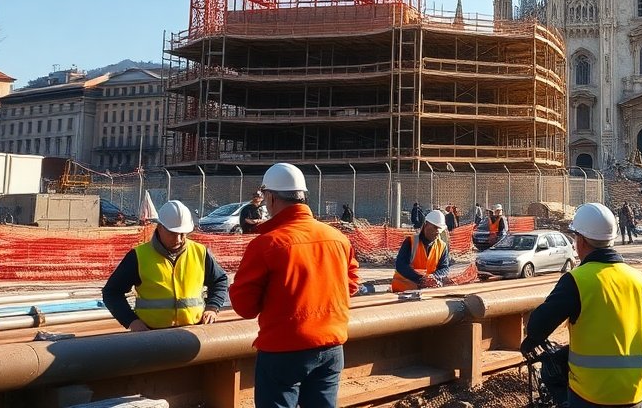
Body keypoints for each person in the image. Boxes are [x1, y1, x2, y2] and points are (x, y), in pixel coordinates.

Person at [231, 163, 360, 408]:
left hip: (282, 350)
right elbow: (350, 285)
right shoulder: (338, 239)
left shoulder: (266, 244)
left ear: (270, 197)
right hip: (331, 346)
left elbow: (244, 306)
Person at [521, 203, 642, 407]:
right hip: (634, 393)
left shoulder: (578, 280)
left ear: (581, 241)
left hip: (591, 395)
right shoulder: (641, 280)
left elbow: (537, 327)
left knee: (552, 371)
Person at [102, 200, 228, 331]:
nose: (178, 239)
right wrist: (131, 321)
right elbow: (111, 292)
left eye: (182, 234)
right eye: (173, 233)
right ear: (160, 227)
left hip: (193, 331)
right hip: (152, 335)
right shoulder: (138, 256)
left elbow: (220, 280)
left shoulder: (200, 252)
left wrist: (212, 307)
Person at [392, 208, 452, 291]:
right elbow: (401, 265)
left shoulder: (442, 246)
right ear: (425, 224)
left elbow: (444, 268)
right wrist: (421, 279)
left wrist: (434, 276)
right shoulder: (410, 242)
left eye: (440, 228)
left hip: (426, 290)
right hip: (404, 288)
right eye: (435, 227)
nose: (438, 231)